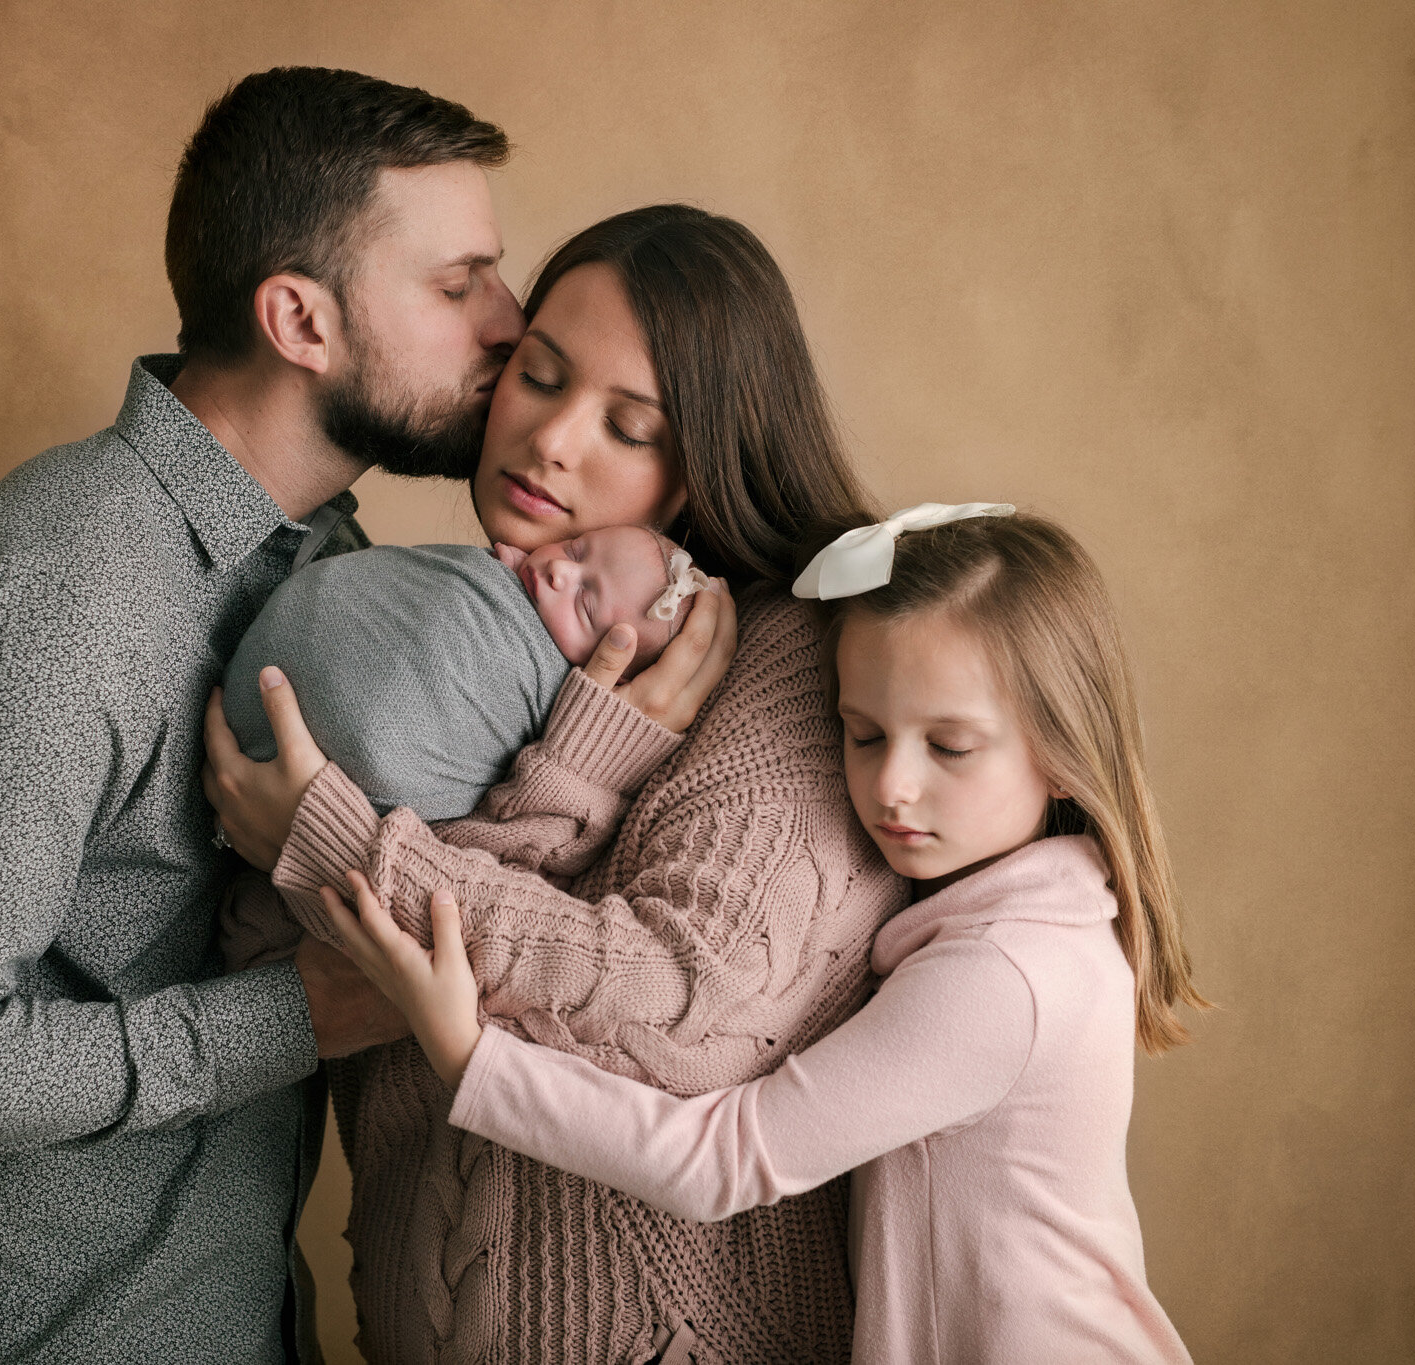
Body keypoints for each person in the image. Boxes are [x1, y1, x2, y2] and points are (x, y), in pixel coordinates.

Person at [0, 67, 529, 1363]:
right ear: (300, 320)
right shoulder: (54, 605)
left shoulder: (327, 561)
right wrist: (299, 1014)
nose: (510, 324)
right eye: (457, 282)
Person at [206, 204, 898, 1364]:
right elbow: (302, 984)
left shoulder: (791, 665)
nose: (550, 442)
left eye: (628, 426)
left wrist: (345, 845)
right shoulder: (462, 641)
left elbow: (683, 1012)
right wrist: (572, 774)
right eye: (537, 375)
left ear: (701, 465)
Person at [324, 505, 1210, 1364]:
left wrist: (470, 1057)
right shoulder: (1022, 922)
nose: (893, 786)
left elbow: (726, 1157)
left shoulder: (1005, 973)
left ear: (1062, 745)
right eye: (864, 735)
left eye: (950, 746)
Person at [222, 524, 709, 822]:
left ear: (614, 675)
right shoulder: (496, 574)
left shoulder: (567, 703)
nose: (560, 571)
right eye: (576, 549)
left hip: (329, 781)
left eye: (584, 604)